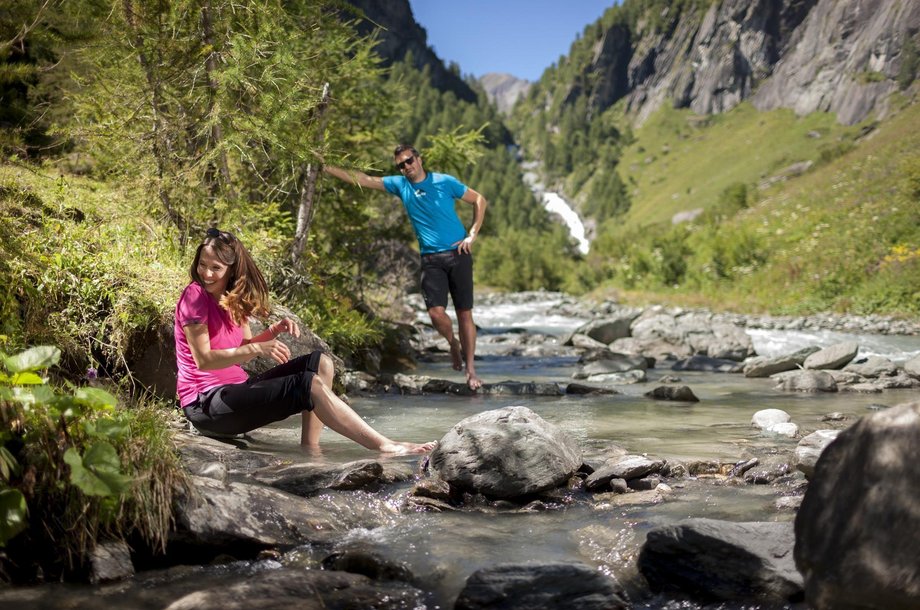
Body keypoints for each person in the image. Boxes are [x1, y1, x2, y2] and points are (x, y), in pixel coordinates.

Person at [174, 227, 436, 454]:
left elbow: (240, 350)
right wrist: (259, 347)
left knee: (320, 363)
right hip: (205, 405)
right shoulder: (194, 296)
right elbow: (205, 360)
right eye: (202, 265)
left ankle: (310, 447)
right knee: (307, 384)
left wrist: (272, 333)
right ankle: (384, 445)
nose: (206, 273)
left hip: (233, 394)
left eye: (215, 268)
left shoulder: (234, 300)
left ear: (232, 270)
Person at [323, 145, 488, 390]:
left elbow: (479, 200)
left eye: (409, 161)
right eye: (401, 165)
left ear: (419, 159)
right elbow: (364, 180)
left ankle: (471, 370)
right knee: (436, 314)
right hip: (431, 259)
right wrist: (323, 165)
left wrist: (472, 235)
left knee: (465, 313)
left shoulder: (444, 182)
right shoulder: (401, 185)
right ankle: (453, 343)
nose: (406, 167)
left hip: (458, 254)